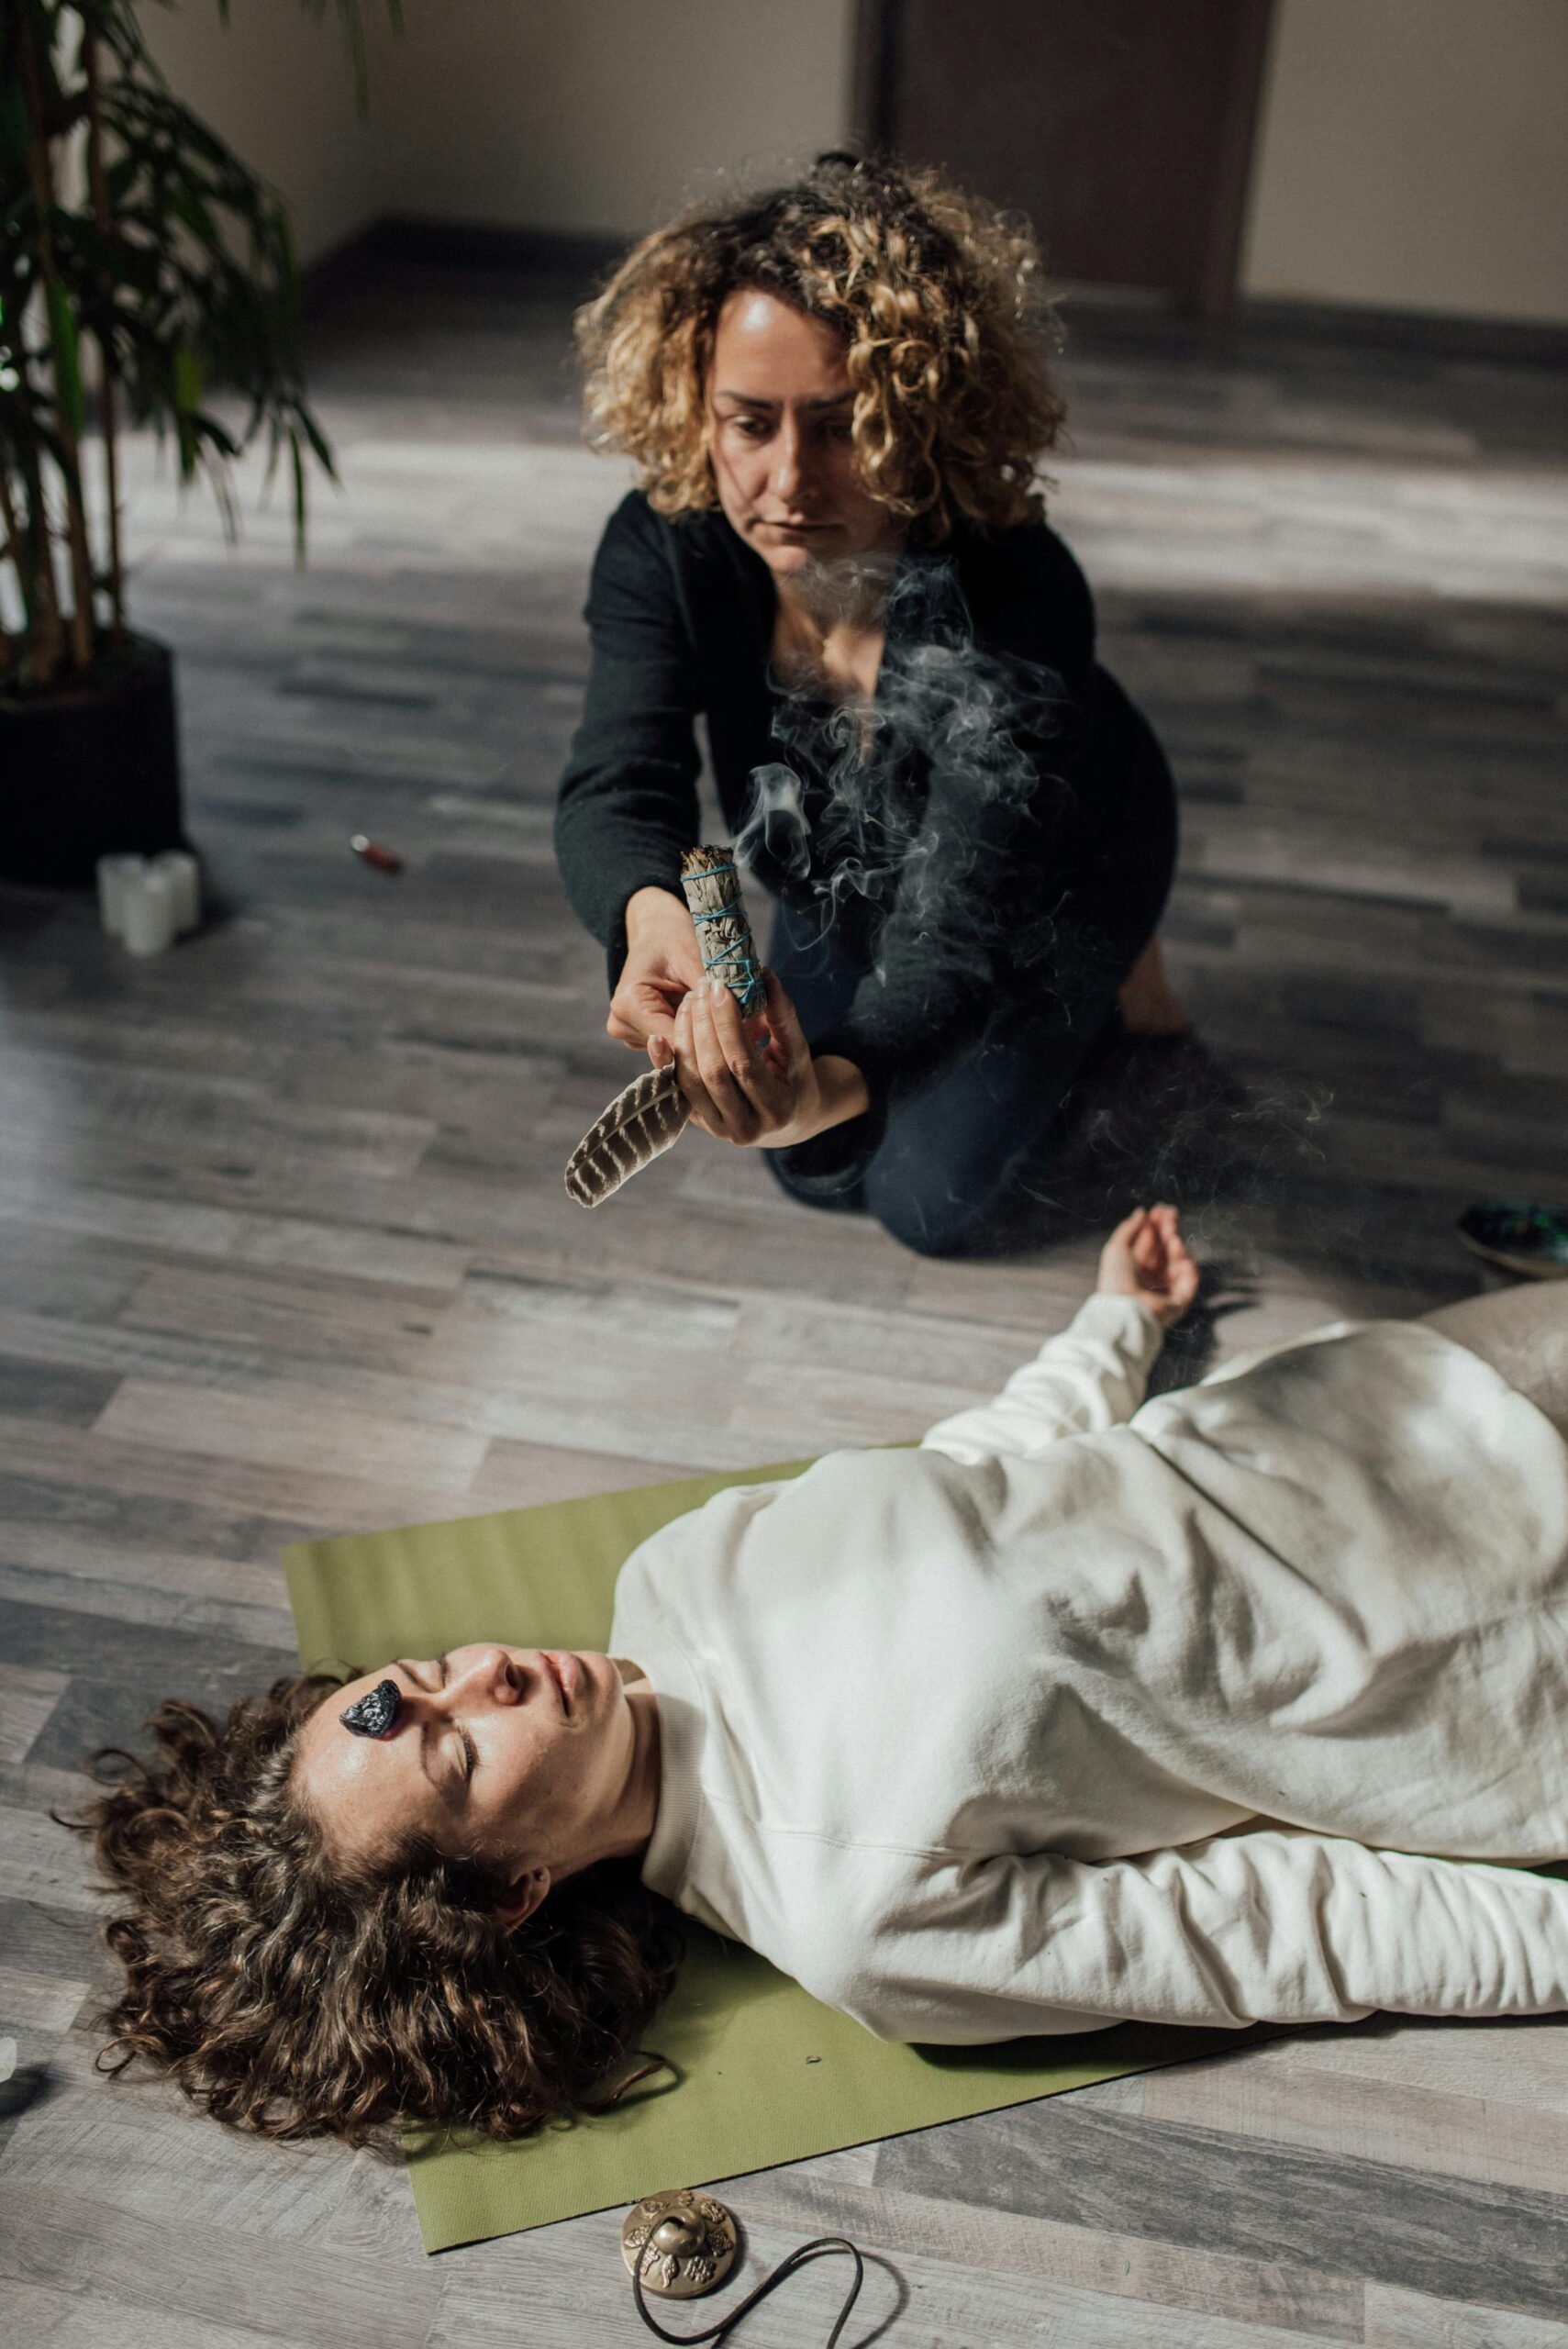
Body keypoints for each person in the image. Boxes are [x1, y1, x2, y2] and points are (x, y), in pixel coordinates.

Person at [75, 1209, 1568, 2144]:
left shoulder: (666, 1577)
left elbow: (966, 1472)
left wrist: (1111, 1326)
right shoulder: (852, 1912)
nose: (487, 1678)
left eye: (428, 1679)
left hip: (1389, 1400)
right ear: (511, 1892)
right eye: (460, 1755)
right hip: (1505, 1648)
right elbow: (1283, 1931)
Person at [554, 153, 1185, 1257]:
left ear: (925, 411)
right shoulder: (666, 545)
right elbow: (620, 772)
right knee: (816, 1171)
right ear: (694, 405)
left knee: (924, 1205)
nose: (789, 480)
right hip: (857, 856)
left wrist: (817, 1087)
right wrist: (647, 917)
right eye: (748, 423)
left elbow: (955, 931)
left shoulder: (1020, 591)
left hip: (1049, 863)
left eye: (841, 426)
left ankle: (1109, 978)